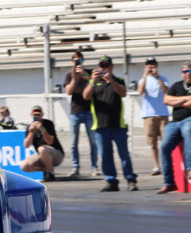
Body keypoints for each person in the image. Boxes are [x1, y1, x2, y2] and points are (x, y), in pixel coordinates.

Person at [86, 56, 137, 193]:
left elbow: (123, 93)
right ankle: (111, 181)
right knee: (106, 156)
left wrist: (111, 81)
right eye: (102, 66)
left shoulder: (118, 81)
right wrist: (92, 81)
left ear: (112, 67)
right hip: (101, 126)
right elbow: (85, 96)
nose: (104, 69)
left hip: (118, 125)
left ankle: (131, 179)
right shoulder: (93, 82)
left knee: (124, 154)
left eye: (106, 66)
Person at [158, 63, 191, 194]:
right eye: (185, 71)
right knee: (164, 146)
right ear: (181, 73)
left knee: (187, 131)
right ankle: (169, 182)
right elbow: (167, 100)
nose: (188, 73)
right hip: (175, 122)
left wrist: (178, 102)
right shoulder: (176, 86)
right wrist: (187, 98)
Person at [63, 59, 98, 178]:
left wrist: (85, 75)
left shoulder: (89, 73)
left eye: (80, 60)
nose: (78, 64)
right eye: (75, 61)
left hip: (89, 111)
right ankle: (75, 167)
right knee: (74, 142)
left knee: (93, 141)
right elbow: (69, 91)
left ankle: (94, 167)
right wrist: (75, 78)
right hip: (75, 112)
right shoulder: (70, 75)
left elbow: (95, 85)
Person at [133, 58, 169, 164]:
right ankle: (156, 165)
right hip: (149, 114)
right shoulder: (143, 80)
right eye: (149, 65)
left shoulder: (163, 78)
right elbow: (140, 91)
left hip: (162, 114)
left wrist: (157, 76)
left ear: (157, 65)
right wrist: (145, 75)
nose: (151, 67)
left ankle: (167, 164)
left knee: (166, 141)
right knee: (152, 143)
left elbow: (166, 90)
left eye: (153, 64)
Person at [20, 106, 64, 181]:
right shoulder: (30, 127)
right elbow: (26, 145)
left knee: (42, 148)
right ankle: (47, 169)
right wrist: (31, 132)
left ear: (42, 115)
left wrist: (42, 129)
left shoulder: (48, 124)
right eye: (35, 115)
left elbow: (50, 141)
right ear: (31, 115)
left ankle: (50, 174)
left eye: (38, 114)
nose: (36, 116)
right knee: (24, 165)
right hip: (42, 154)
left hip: (56, 153)